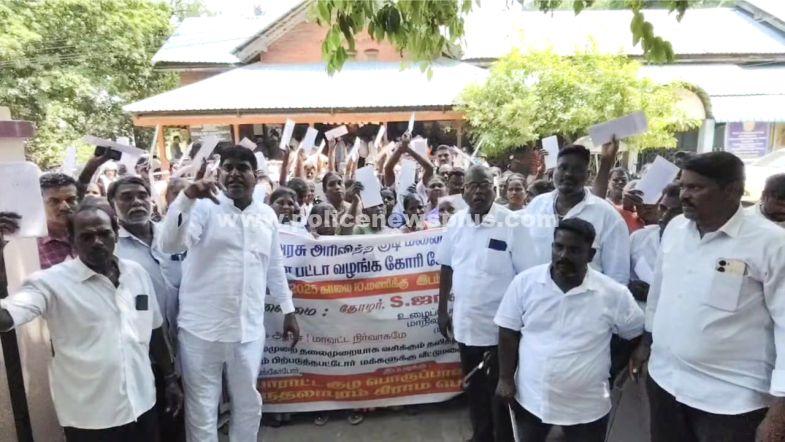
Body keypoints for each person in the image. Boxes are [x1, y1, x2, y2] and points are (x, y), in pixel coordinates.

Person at [629, 152, 785, 442]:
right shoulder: (675, 229)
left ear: (732, 191)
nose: (684, 195)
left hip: (730, 402)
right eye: (683, 186)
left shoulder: (772, 244)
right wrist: (646, 343)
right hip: (665, 382)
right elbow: (659, 293)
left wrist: (779, 412)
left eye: (696, 187)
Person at [0, 201, 183, 441]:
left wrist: (170, 379)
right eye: (86, 236)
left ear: (116, 233)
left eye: (104, 233)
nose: (97, 241)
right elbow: (5, 319)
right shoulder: (49, 283)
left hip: (143, 403)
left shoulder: (136, 273)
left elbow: (155, 329)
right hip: (91, 418)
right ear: (72, 241)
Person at [158, 146, 300, 442]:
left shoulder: (266, 215)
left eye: (242, 167)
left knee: (248, 403)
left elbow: (274, 265)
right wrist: (186, 198)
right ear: (219, 173)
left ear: (255, 176)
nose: (234, 173)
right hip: (201, 331)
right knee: (202, 408)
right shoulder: (203, 207)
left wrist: (288, 310)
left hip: (248, 331)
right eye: (228, 167)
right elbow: (170, 245)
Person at [495, 218, 644, 442]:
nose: (563, 255)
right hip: (532, 398)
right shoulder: (524, 283)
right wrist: (505, 378)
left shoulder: (613, 294)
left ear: (590, 255)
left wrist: (609, 369)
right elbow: (508, 331)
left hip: (587, 405)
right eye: (559, 247)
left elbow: (634, 333)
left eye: (574, 250)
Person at [436, 165, 536, 442]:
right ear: (463, 192)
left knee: (501, 393)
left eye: (484, 185)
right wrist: (442, 310)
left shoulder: (512, 223)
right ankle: (481, 436)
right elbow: (446, 266)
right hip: (465, 324)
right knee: (475, 387)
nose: (478, 191)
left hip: (501, 331)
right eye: (472, 186)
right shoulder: (456, 223)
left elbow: (527, 276)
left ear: (494, 189)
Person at [522, 145, 630, 285]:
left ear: (588, 175)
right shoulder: (536, 206)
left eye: (577, 169)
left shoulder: (609, 217)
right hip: (536, 295)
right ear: (554, 171)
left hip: (587, 297)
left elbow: (618, 276)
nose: (568, 174)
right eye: (563, 167)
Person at [628, 183, 682, 308]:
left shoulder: (692, 246)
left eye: (674, 212)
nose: (665, 216)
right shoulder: (639, 238)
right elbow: (620, 275)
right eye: (663, 208)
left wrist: (652, 293)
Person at [37, 173, 80, 269]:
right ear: (39, 203)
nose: (65, 207)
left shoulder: (90, 234)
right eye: (54, 201)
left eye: (70, 200)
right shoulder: (31, 246)